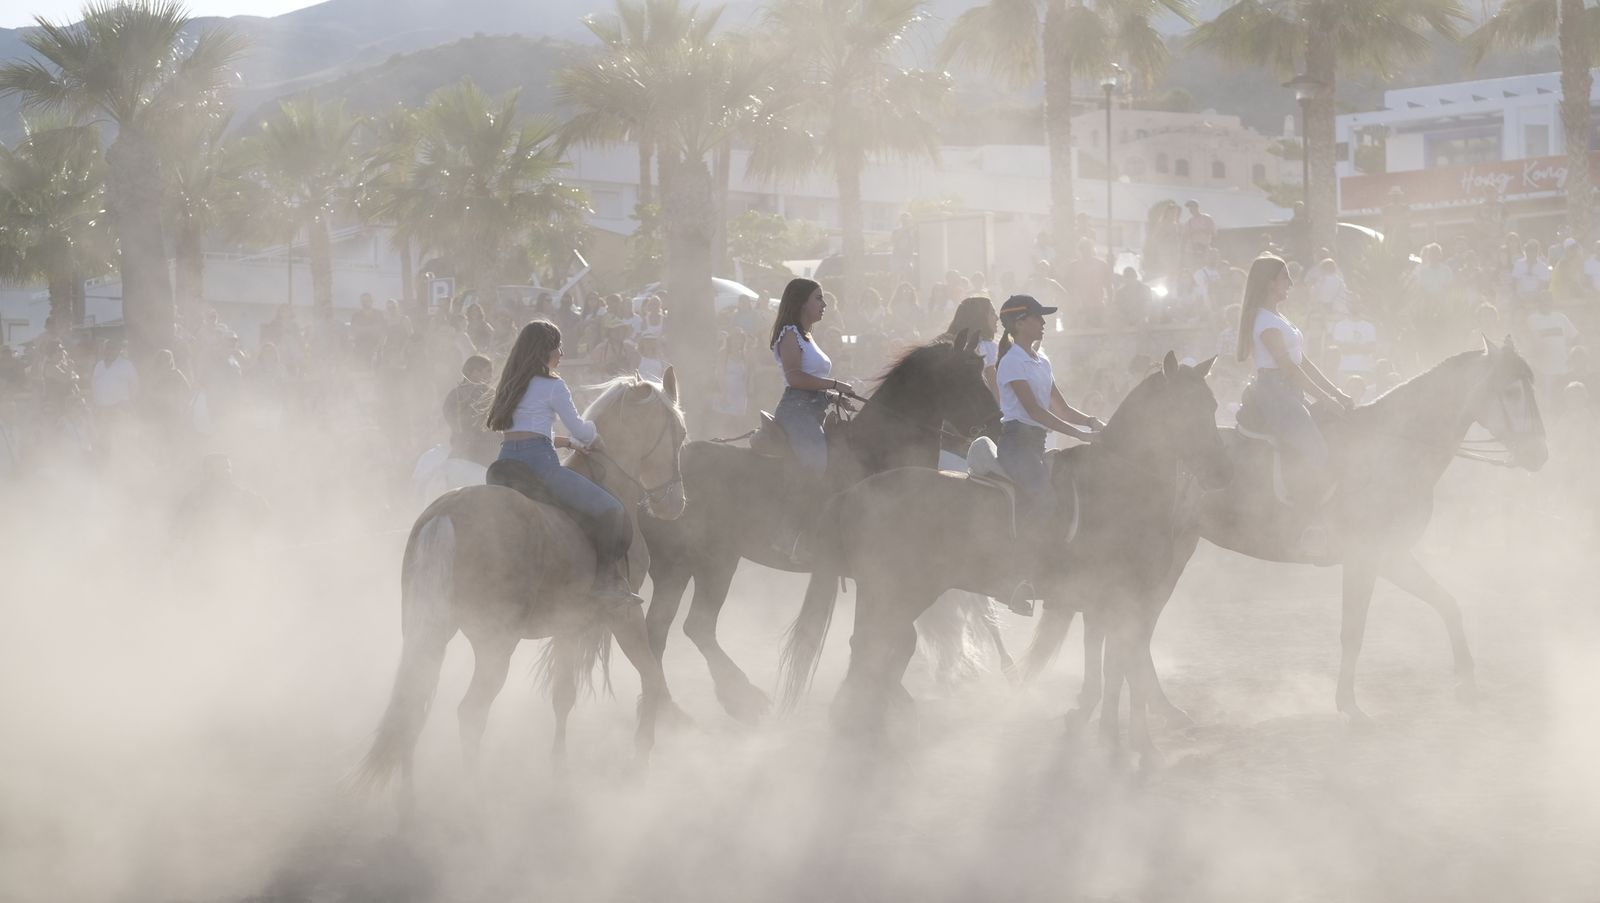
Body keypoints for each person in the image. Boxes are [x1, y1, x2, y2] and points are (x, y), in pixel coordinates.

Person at [485, 321, 642, 607]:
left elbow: (524, 431)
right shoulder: (553, 386)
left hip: (504, 464)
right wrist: (592, 437)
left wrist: (567, 444)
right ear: (545, 350)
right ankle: (605, 585)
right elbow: (581, 430)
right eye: (558, 346)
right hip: (540, 467)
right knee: (613, 511)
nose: (562, 353)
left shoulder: (510, 383)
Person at [1235, 255, 1354, 555]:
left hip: (1289, 392)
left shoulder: (1278, 318)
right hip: (1276, 395)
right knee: (1317, 452)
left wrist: (1336, 393)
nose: (1289, 283)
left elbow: (1305, 363)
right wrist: (1325, 400)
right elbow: (1288, 367)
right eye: (1284, 277)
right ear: (1270, 283)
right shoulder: (1264, 321)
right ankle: (1308, 526)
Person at [994, 294, 1102, 612]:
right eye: (1038, 317)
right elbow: (1035, 412)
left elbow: (1062, 409)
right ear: (1019, 322)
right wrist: (1083, 436)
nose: (1044, 322)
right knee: (1044, 500)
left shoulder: (1042, 361)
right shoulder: (1012, 361)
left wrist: (1095, 423)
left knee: (1070, 500)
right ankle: (1013, 578)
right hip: (1016, 445)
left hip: (1038, 445)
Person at [769, 278, 860, 559]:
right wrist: (834, 386)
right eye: (818, 299)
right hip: (796, 412)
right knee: (816, 462)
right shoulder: (789, 335)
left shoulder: (807, 336)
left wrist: (833, 398)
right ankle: (786, 536)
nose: (825, 305)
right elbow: (795, 377)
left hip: (813, 409)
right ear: (802, 303)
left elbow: (812, 381)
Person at [939, 296, 1000, 398]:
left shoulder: (946, 344)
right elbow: (993, 386)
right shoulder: (988, 347)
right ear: (980, 317)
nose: (997, 317)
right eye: (992, 313)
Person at [443, 354, 498, 466]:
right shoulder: (490, 394)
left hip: (461, 448)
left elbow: (449, 418)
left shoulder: (455, 394)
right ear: (474, 372)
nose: (491, 375)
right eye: (488, 371)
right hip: (487, 451)